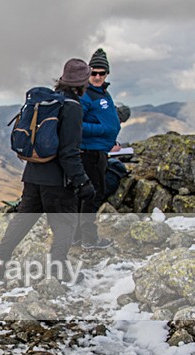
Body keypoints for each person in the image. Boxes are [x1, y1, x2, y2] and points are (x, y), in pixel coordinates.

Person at [0, 59, 96, 283]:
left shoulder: (49, 101)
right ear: (83, 82)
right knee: (64, 224)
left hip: (32, 175)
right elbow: (69, 152)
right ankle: (59, 272)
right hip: (57, 181)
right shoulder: (72, 107)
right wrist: (82, 182)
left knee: (22, 220)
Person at [74, 48, 121, 249]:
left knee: (85, 195)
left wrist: (110, 141)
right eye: (94, 73)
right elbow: (76, 125)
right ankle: (89, 239)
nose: (98, 77)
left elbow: (105, 119)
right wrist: (104, 130)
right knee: (93, 195)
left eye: (102, 73)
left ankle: (76, 236)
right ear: (87, 72)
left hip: (99, 151)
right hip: (88, 154)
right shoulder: (85, 94)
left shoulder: (102, 92)